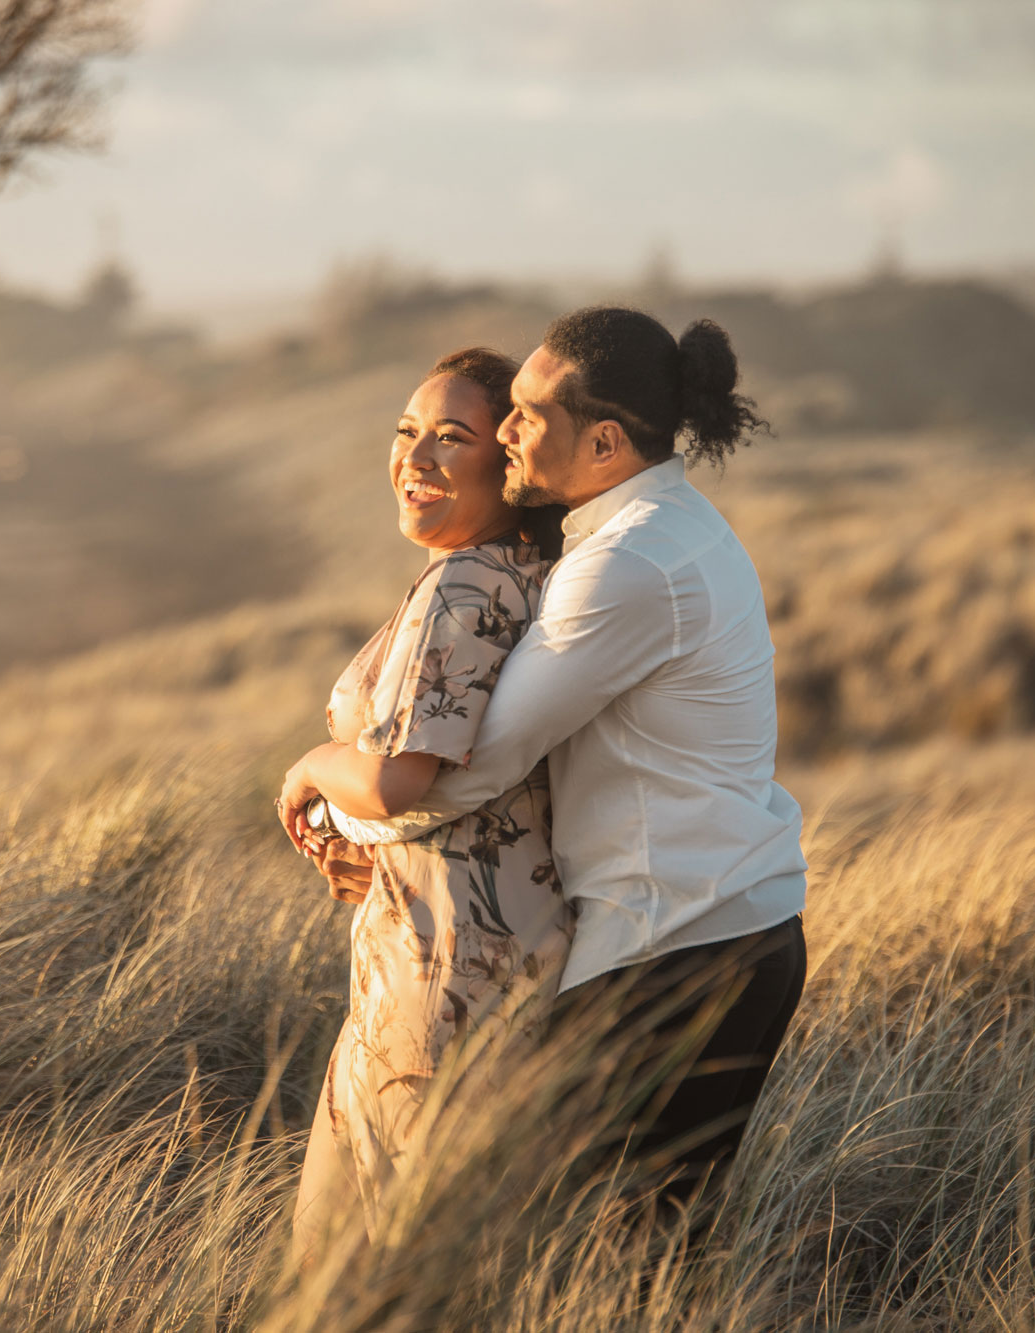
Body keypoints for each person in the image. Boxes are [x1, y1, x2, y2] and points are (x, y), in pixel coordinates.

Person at [279, 306, 807, 1221]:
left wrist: (326, 795)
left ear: (603, 441)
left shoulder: (628, 565)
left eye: (524, 414)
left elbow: (474, 768)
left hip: (674, 944)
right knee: (641, 1246)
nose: (507, 431)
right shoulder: (660, 529)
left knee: (604, 1245)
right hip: (723, 925)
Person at [280, 347, 574, 1262]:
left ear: (510, 466)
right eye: (407, 432)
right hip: (471, 950)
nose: (418, 457)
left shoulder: (467, 584)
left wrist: (310, 768)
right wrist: (369, 849)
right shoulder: (525, 574)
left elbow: (404, 777)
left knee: (361, 1275)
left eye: (454, 437)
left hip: (443, 978)